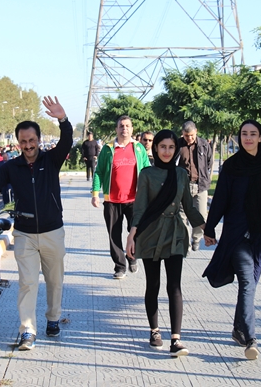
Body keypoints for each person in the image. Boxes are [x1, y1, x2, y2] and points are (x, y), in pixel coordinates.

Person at [0, 96, 73, 351]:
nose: (28, 146)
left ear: (38, 140)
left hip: (52, 231)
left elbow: (67, 140)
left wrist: (62, 119)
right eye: (23, 141)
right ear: (18, 143)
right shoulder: (10, 167)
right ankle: (27, 330)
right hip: (25, 234)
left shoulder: (51, 160)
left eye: (32, 140)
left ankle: (53, 318)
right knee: (27, 283)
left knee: (54, 281)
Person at [203, 119, 261, 360]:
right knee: (247, 283)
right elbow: (220, 199)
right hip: (237, 235)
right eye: (244, 134)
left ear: (260, 137)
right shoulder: (231, 165)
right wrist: (210, 228)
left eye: (253, 134)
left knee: (251, 285)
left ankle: (238, 329)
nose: (248, 138)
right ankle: (251, 338)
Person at [125, 130, 205, 357]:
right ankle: (154, 330)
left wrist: (205, 227)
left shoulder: (181, 174)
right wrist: (132, 235)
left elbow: (188, 206)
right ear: (155, 148)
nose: (167, 151)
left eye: (171, 147)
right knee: (153, 284)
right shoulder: (147, 174)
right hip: (150, 233)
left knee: (174, 286)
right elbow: (140, 207)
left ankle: (176, 339)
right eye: (163, 147)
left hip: (175, 233)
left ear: (176, 149)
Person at [92, 115, 151, 279]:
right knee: (114, 235)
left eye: (127, 126)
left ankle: (132, 257)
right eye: (121, 126)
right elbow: (99, 172)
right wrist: (95, 194)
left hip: (135, 201)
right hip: (112, 201)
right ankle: (119, 266)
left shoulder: (138, 148)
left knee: (137, 232)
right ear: (116, 129)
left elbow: (147, 171)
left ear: (132, 129)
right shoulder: (108, 149)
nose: (124, 128)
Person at [177, 121, 212, 252]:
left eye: (191, 135)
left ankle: (196, 238)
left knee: (201, 215)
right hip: (183, 186)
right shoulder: (178, 145)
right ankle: (185, 242)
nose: (189, 138)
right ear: (182, 134)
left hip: (200, 185)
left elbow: (209, 162)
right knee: (182, 216)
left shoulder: (204, 144)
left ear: (196, 132)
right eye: (186, 135)